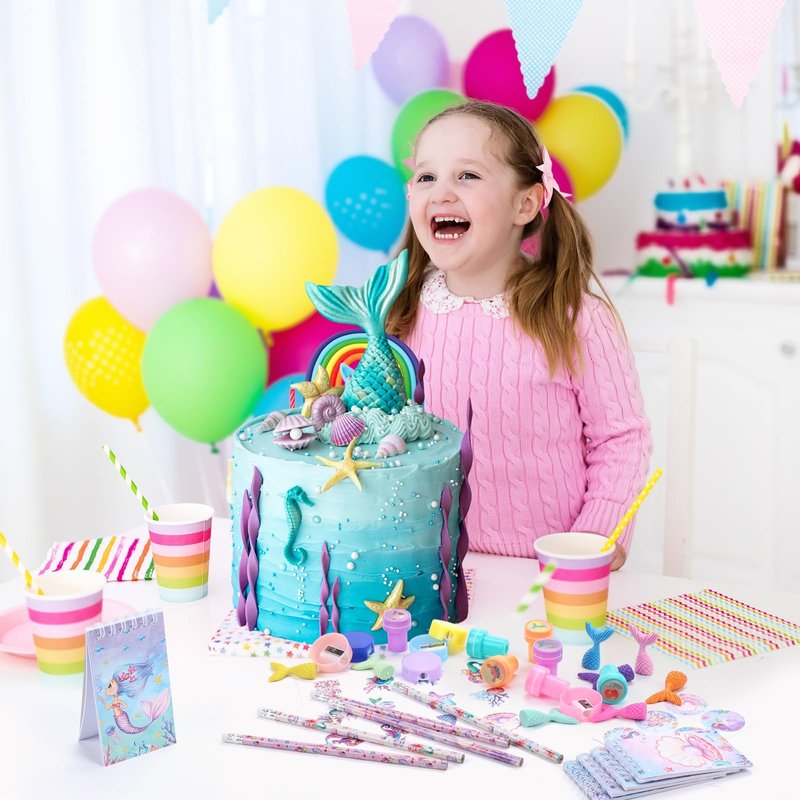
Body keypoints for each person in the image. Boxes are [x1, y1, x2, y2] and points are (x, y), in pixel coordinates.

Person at [386, 100, 652, 570]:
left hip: (547, 571)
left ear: (525, 203)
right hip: (425, 566)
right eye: (426, 177)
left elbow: (621, 440)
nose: (441, 193)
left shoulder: (576, 318)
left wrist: (594, 538)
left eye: (467, 175)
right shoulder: (398, 310)